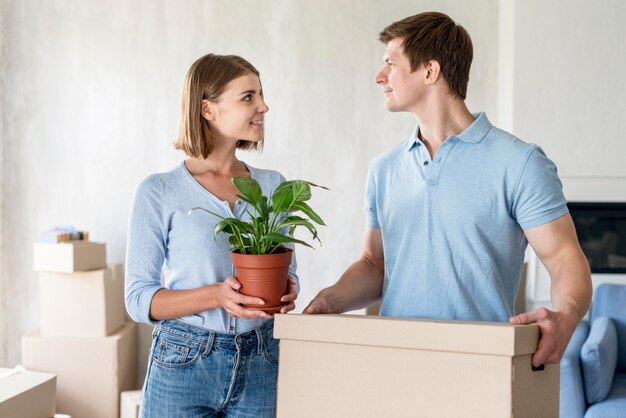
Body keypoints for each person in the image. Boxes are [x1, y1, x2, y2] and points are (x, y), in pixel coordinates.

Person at [304, 11, 592, 368]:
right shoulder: (384, 169)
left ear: (429, 70)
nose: (379, 77)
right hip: (391, 362)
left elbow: (564, 258)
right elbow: (374, 263)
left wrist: (565, 317)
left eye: (390, 65)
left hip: (481, 365)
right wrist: (329, 301)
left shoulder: (519, 163)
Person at [125, 53, 298, 417]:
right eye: (248, 97)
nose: (264, 106)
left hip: (261, 357)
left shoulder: (274, 186)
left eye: (261, 95)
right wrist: (217, 296)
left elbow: (288, 270)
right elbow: (139, 299)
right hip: (183, 360)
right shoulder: (159, 191)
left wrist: (288, 288)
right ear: (207, 109)